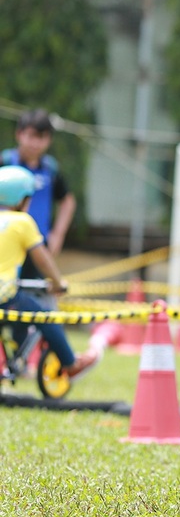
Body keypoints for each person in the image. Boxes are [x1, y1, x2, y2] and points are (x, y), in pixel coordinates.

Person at [0, 165, 100, 379]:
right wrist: (57, 282)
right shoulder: (22, 222)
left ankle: (13, 364)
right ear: (22, 199)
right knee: (46, 317)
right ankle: (71, 363)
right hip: (3, 295)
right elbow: (43, 259)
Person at [2, 110, 76, 290]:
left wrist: (58, 234)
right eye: (31, 136)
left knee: (35, 299)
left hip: (38, 244)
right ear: (19, 134)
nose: (35, 143)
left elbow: (67, 200)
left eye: (41, 137)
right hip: (7, 243)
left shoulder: (50, 169)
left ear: (49, 140)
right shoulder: (4, 162)